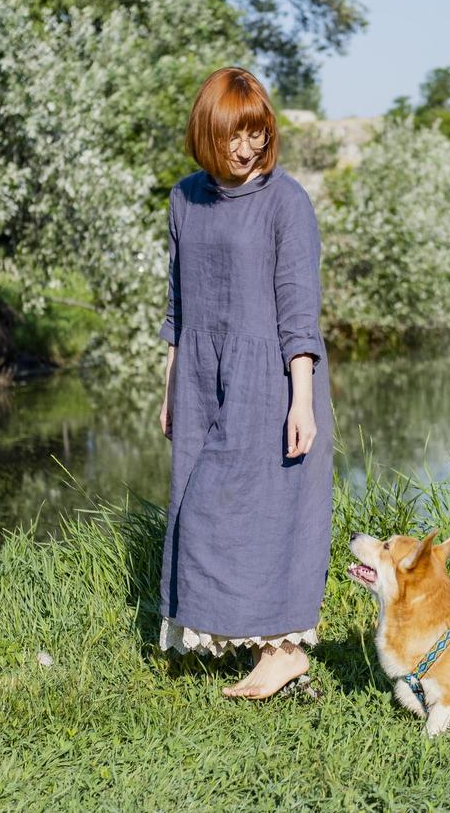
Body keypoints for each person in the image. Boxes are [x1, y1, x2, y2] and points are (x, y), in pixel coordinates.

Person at [156, 67, 334, 699]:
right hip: (202, 377)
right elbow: (178, 304)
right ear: (208, 132)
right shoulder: (185, 199)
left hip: (272, 377)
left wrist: (302, 399)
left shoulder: (286, 201)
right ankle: (255, 643)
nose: (248, 149)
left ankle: (282, 653)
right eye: (235, 136)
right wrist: (170, 381)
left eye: (258, 134)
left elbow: (298, 307)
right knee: (198, 505)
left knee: (271, 510)